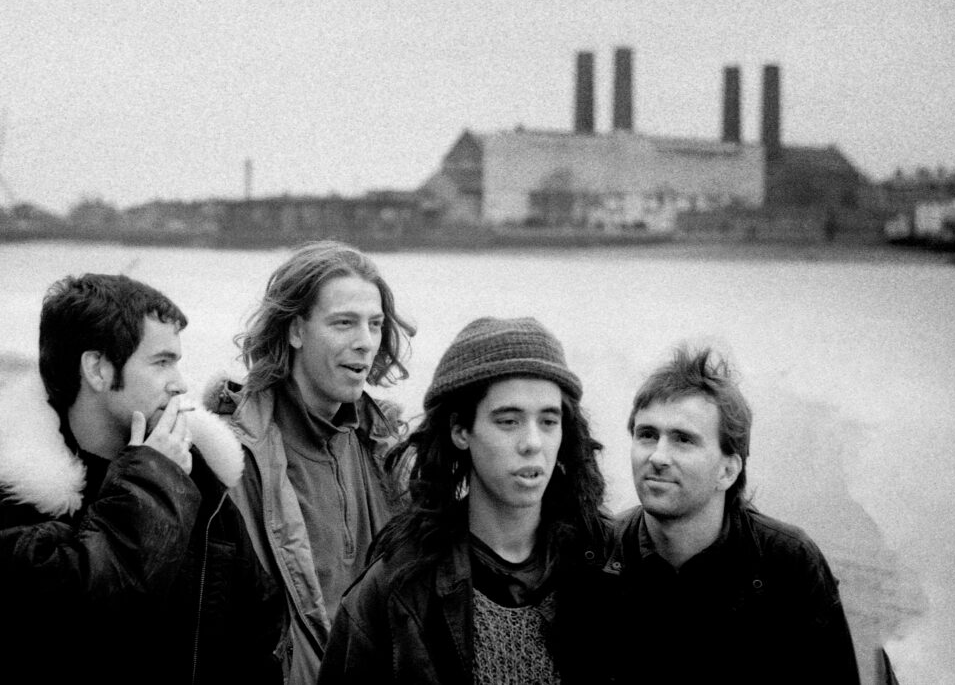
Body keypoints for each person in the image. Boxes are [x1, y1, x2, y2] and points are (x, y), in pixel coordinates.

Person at [0, 273, 282, 685]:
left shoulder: (196, 476)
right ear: (98, 369)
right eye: (162, 362)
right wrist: (154, 478)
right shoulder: (16, 495)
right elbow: (79, 612)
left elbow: (256, 632)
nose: (181, 383)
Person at [318, 316, 618, 685]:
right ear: (461, 431)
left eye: (548, 422)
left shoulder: (608, 563)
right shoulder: (398, 590)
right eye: (508, 421)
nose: (532, 443)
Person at [207, 240, 415, 684]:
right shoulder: (227, 458)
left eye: (375, 325)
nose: (365, 343)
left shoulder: (389, 450)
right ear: (295, 331)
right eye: (344, 323)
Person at [608, 345, 861, 684]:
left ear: (727, 470)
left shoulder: (788, 564)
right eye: (647, 435)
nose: (658, 456)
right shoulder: (599, 554)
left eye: (683, 439)